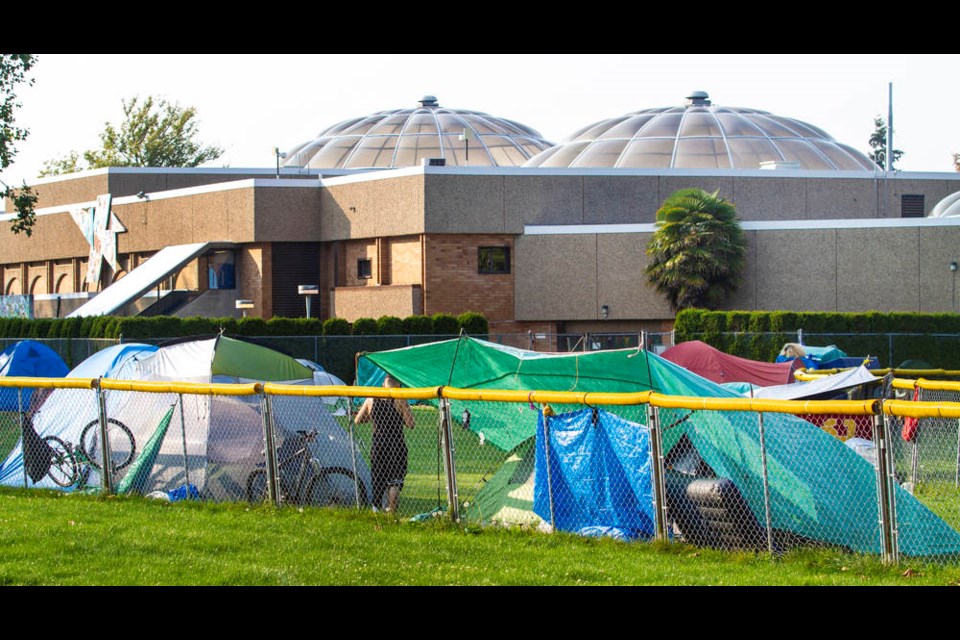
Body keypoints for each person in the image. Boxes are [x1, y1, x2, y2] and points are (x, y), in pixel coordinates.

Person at [354, 374, 415, 512]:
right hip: (396, 444)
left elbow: (358, 420)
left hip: (378, 443)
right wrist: (404, 412)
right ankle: (392, 512)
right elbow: (411, 424)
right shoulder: (400, 399)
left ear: (383, 385)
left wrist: (373, 417)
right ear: (398, 386)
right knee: (394, 479)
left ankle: (376, 508)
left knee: (378, 476)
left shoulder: (371, 398)